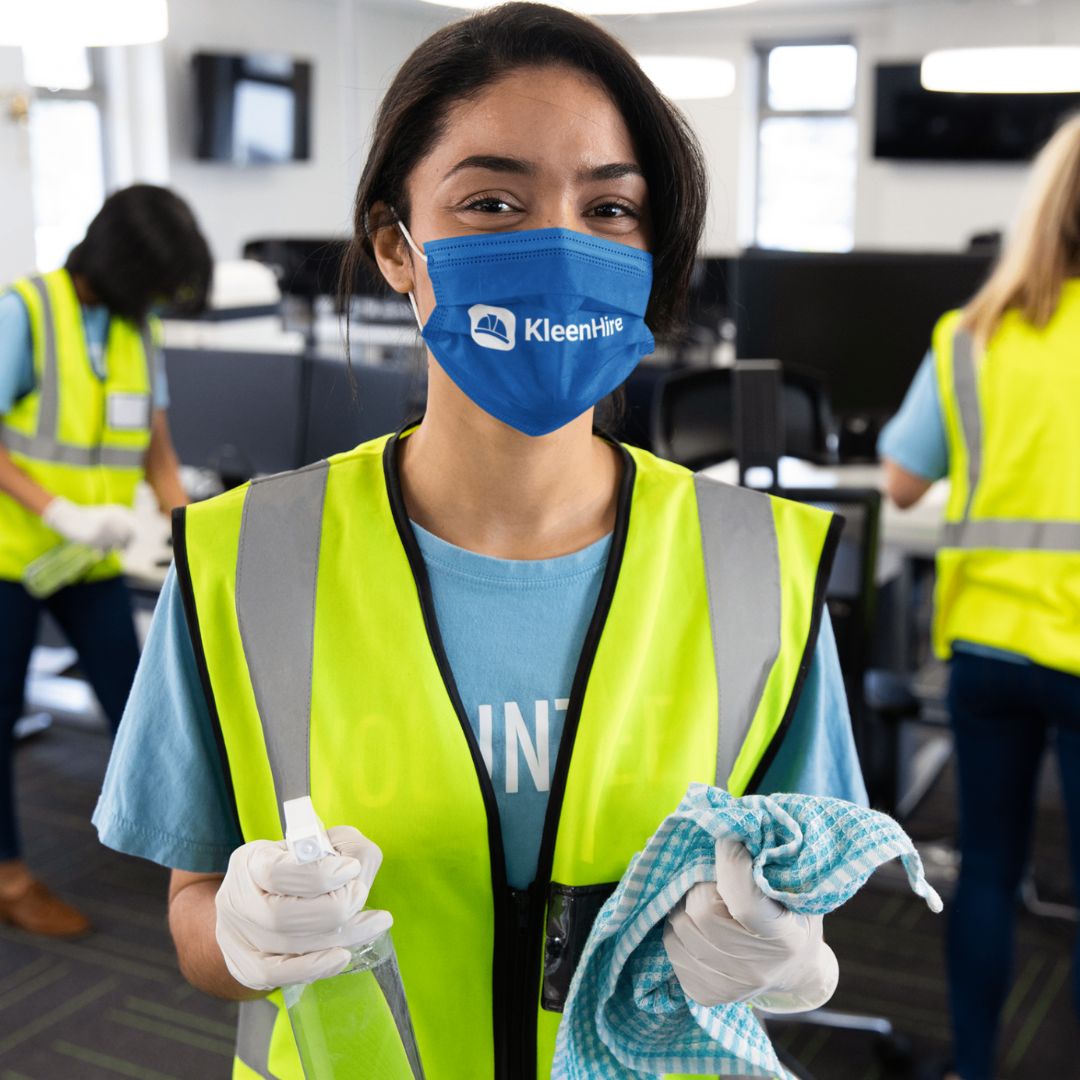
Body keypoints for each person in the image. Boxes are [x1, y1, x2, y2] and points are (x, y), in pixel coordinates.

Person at [94, 6, 866, 1077]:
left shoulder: (758, 568)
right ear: (395, 246)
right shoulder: (247, 561)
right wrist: (238, 936)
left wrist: (792, 957)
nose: (558, 247)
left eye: (610, 208)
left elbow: (800, 891)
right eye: (493, 202)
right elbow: (194, 908)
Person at [879, 116, 1080, 1080]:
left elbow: (901, 482)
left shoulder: (973, 334)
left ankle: (971, 1066)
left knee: (990, 871)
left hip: (988, 647)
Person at [0, 184, 209, 937]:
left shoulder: (134, 327)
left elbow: (156, 444)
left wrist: (192, 529)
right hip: (11, 556)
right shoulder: (24, 313)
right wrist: (58, 510)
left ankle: (182, 840)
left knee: (139, 699)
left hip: (86, 561)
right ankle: (8, 878)